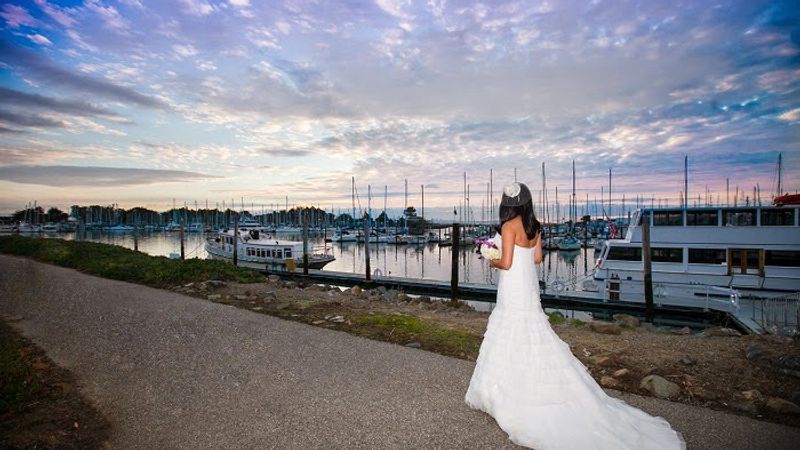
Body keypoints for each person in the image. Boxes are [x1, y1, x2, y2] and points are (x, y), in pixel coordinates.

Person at [465, 181, 685, 450]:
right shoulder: (535, 227)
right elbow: (536, 259)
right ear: (527, 201)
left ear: (506, 203)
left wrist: (491, 257)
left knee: (511, 328)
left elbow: (507, 263)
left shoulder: (509, 226)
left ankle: (508, 393)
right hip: (529, 285)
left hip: (513, 285)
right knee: (531, 330)